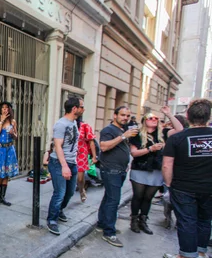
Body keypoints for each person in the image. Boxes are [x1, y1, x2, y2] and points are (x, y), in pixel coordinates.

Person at [162, 99, 212, 258]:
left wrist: (168, 184)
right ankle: (201, 252)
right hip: (208, 187)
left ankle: (186, 255)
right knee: (205, 219)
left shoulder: (178, 138)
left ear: (188, 116)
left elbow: (167, 164)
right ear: (208, 116)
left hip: (184, 187)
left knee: (187, 220)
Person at [128, 106, 183, 235]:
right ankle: (134, 221)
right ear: (144, 121)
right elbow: (134, 153)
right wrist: (150, 149)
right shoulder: (137, 134)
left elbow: (180, 129)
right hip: (140, 168)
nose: (154, 120)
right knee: (138, 196)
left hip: (156, 170)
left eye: (156, 118)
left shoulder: (163, 133)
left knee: (148, 197)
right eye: (150, 118)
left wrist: (169, 114)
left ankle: (143, 220)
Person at [96, 106, 138, 247]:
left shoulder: (122, 130)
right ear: (115, 115)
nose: (125, 118)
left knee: (109, 197)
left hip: (119, 170)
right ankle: (109, 233)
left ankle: (102, 224)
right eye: (122, 115)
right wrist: (123, 136)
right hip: (111, 170)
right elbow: (104, 146)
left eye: (127, 115)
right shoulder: (109, 130)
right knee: (114, 201)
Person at [45, 97, 82, 236]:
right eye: (81, 107)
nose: (83, 109)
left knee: (70, 192)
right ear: (74, 109)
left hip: (72, 163)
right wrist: (64, 166)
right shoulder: (61, 124)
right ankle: (52, 220)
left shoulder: (74, 123)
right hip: (59, 163)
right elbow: (58, 146)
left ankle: (59, 210)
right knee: (59, 193)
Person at [0, 101, 19, 206]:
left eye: (6, 108)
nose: (4, 109)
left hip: (9, 149)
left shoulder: (13, 121)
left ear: (10, 110)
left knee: (6, 174)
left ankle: (2, 197)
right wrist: (1, 121)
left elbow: (16, 136)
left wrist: (13, 134)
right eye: (3, 108)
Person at [76, 112, 98, 203]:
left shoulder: (85, 126)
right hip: (70, 153)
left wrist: (94, 156)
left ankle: (82, 190)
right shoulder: (68, 125)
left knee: (80, 178)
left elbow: (91, 142)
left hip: (82, 153)